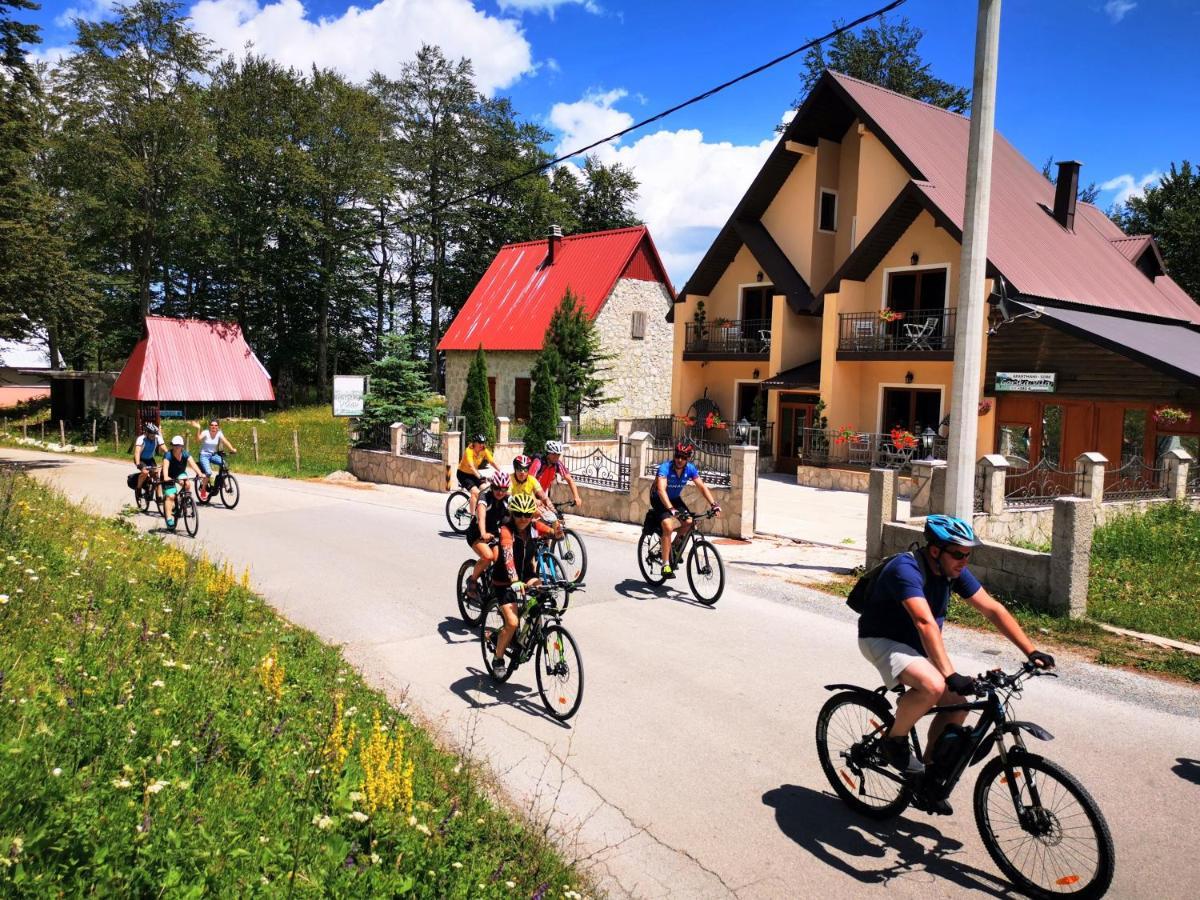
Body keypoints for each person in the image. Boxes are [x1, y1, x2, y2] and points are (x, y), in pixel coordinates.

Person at [857, 514, 1055, 811]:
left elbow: (992, 609)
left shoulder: (952, 570)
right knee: (933, 685)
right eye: (959, 554)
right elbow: (924, 622)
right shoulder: (906, 568)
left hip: (917, 645)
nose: (965, 560)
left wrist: (1031, 651)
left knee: (960, 703)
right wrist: (949, 674)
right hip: (881, 639)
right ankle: (893, 741)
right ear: (935, 550)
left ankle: (925, 776)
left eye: (969, 554)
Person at [487, 492, 554, 679]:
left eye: (527, 514)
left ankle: (524, 634)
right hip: (504, 581)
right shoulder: (506, 531)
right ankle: (498, 658)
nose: (523, 519)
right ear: (513, 513)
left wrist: (557, 530)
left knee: (545, 594)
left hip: (527, 576)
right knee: (512, 622)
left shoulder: (533, 527)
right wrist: (514, 580)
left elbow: (551, 532)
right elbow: (508, 557)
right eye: (519, 514)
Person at [651, 441, 720, 578]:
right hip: (659, 499)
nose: (679, 460)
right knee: (668, 526)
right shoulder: (665, 468)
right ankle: (665, 565)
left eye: (683, 457)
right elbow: (660, 489)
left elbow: (701, 487)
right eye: (677, 456)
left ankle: (673, 547)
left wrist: (713, 504)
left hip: (675, 498)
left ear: (688, 458)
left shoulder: (690, 469)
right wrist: (670, 509)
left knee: (690, 523)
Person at [464, 470, 511, 599]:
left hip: (494, 534)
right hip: (477, 534)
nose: (500, 492)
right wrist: (483, 532)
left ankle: (491, 588)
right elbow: (482, 515)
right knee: (488, 556)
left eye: (504, 489)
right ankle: (472, 581)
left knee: (499, 559)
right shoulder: (484, 496)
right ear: (492, 486)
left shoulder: (507, 498)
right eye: (497, 488)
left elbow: (518, 511)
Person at [159, 436, 203, 530]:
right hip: (168, 476)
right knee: (170, 496)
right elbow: (165, 468)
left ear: (182, 446)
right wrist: (166, 477)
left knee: (187, 484)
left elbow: (193, 464)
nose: (177, 447)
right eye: (175, 445)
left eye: (179, 445)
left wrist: (200, 474)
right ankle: (169, 518)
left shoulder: (185, 454)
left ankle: (184, 500)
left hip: (179, 473)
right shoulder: (168, 455)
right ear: (172, 446)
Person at [529, 440, 582, 512]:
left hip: (542, 496)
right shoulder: (538, 462)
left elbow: (569, 479)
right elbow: (528, 481)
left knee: (554, 520)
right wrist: (533, 499)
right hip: (530, 495)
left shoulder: (557, 464)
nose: (556, 457)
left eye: (558, 455)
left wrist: (576, 497)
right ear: (548, 453)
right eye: (554, 454)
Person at [191, 419, 237, 494]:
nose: (214, 427)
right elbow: (197, 440)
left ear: (218, 427)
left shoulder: (219, 433)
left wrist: (232, 449)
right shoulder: (206, 432)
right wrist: (198, 428)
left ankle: (221, 482)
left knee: (224, 464)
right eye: (212, 425)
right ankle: (203, 490)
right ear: (209, 426)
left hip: (213, 455)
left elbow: (226, 441)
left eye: (216, 425)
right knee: (208, 472)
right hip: (204, 455)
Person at [457, 433, 495, 511]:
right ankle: (472, 517)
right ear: (475, 443)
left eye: (483, 442)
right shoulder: (469, 450)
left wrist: (501, 472)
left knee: (485, 489)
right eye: (480, 443)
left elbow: (492, 462)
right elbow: (471, 467)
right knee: (475, 492)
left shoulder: (484, 450)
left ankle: (480, 509)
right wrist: (480, 476)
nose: (482, 445)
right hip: (463, 474)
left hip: (474, 474)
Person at [133, 422, 165, 495]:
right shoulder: (141, 439)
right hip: (140, 459)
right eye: (151, 433)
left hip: (150, 459)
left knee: (156, 475)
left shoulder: (157, 438)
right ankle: (138, 489)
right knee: (145, 472)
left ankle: (158, 497)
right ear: (146, 433)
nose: (153, 435)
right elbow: (137, 453)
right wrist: (138, 464)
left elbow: (164, 448)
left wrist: (169, 457)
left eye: (154, 433)